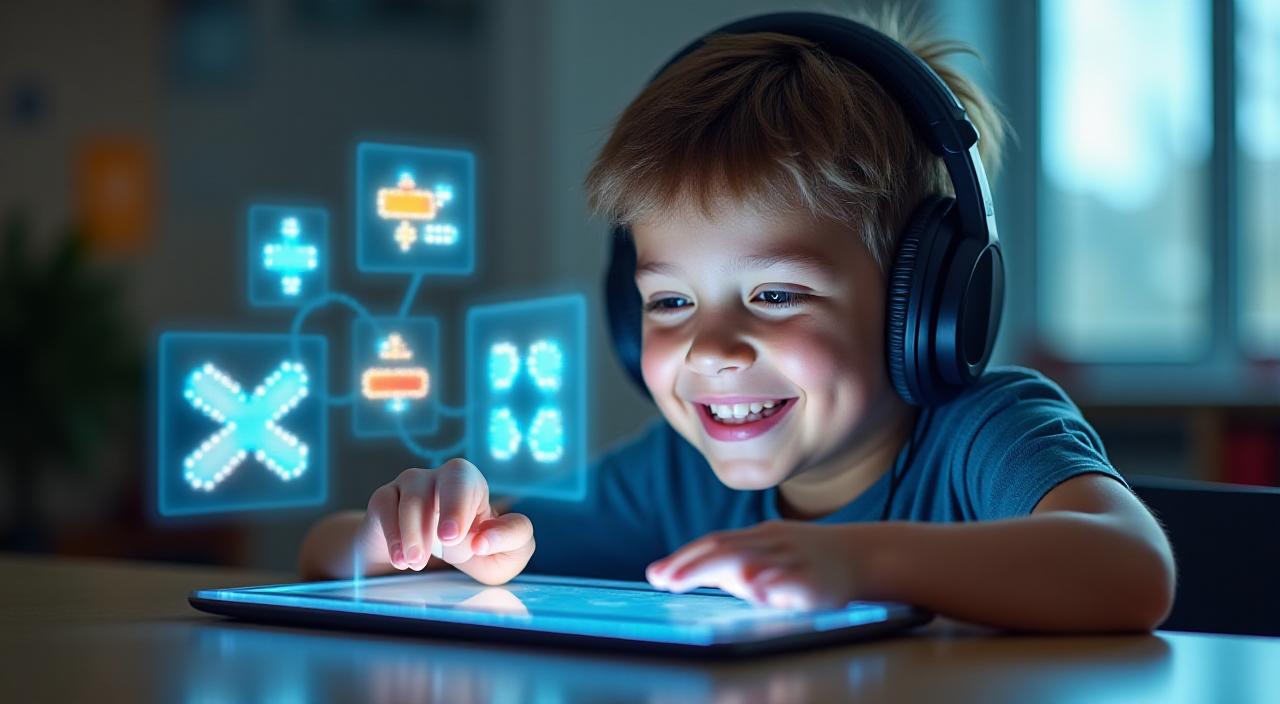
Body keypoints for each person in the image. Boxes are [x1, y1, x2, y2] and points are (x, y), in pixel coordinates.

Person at [299, 9, 1175, 632]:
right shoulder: (672, 478)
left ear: (927, 306)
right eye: (669, 302)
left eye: (776, 295)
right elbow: (325, 555)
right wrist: (421, 538)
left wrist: (858, 562)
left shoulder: (987, 434)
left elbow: (1133, 571)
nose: (711, 349)